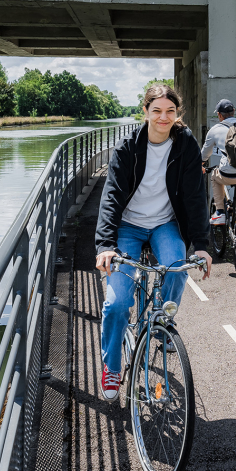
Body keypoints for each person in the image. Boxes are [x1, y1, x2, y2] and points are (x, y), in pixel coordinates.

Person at [94, 83, 212, 400]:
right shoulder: (127, 147)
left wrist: (201, 244)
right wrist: (105, 244)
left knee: (176, 268)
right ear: (145, 112)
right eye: (156, 111)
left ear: (178, 114)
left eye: (170, 111)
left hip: (164, 223)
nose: (163, 117)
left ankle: (159, 321)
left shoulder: (185, 144)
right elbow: (111, 197)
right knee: (118, 302)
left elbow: (194, 197)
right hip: (128, 227)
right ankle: (112, 366)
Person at [201, 99, 236, 225]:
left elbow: (205, 153)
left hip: (228, 174)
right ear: (233, 111)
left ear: (219, 115)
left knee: (215, 177)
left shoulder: (215, 130)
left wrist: (201, 164)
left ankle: (220, 212)